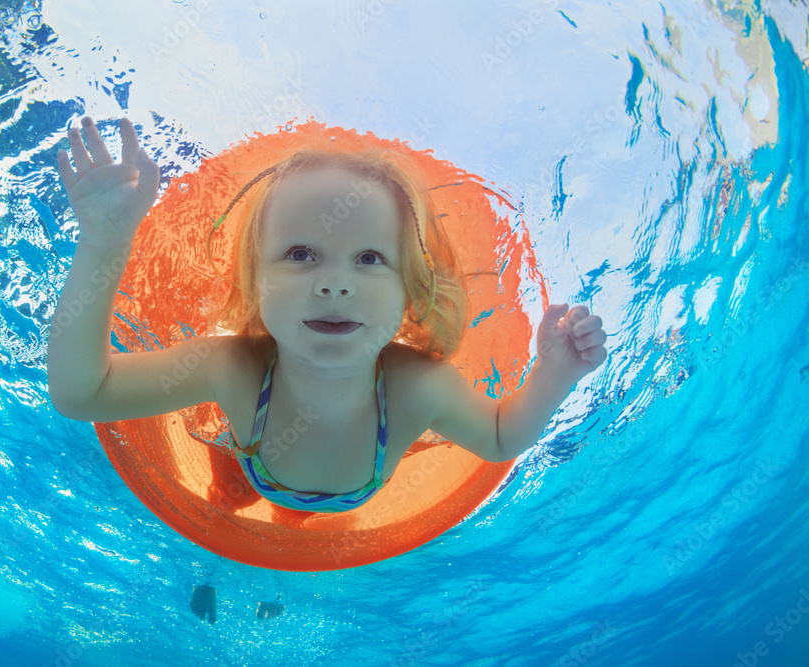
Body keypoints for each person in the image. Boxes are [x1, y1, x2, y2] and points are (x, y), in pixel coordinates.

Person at [47, 116, 607, 612]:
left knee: (292, 526)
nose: (334, 282)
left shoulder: (418, 387)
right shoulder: (233, 368)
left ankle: (274, 580)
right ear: (254, 279)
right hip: (247, 464)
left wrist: (554, 372)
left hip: (331, 500)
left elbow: (500, 436)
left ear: (411, 289)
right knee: (226, 506)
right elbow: (83, 394)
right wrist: (104, 240)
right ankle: (210, 572)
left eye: (369, 258)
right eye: (300, 254)